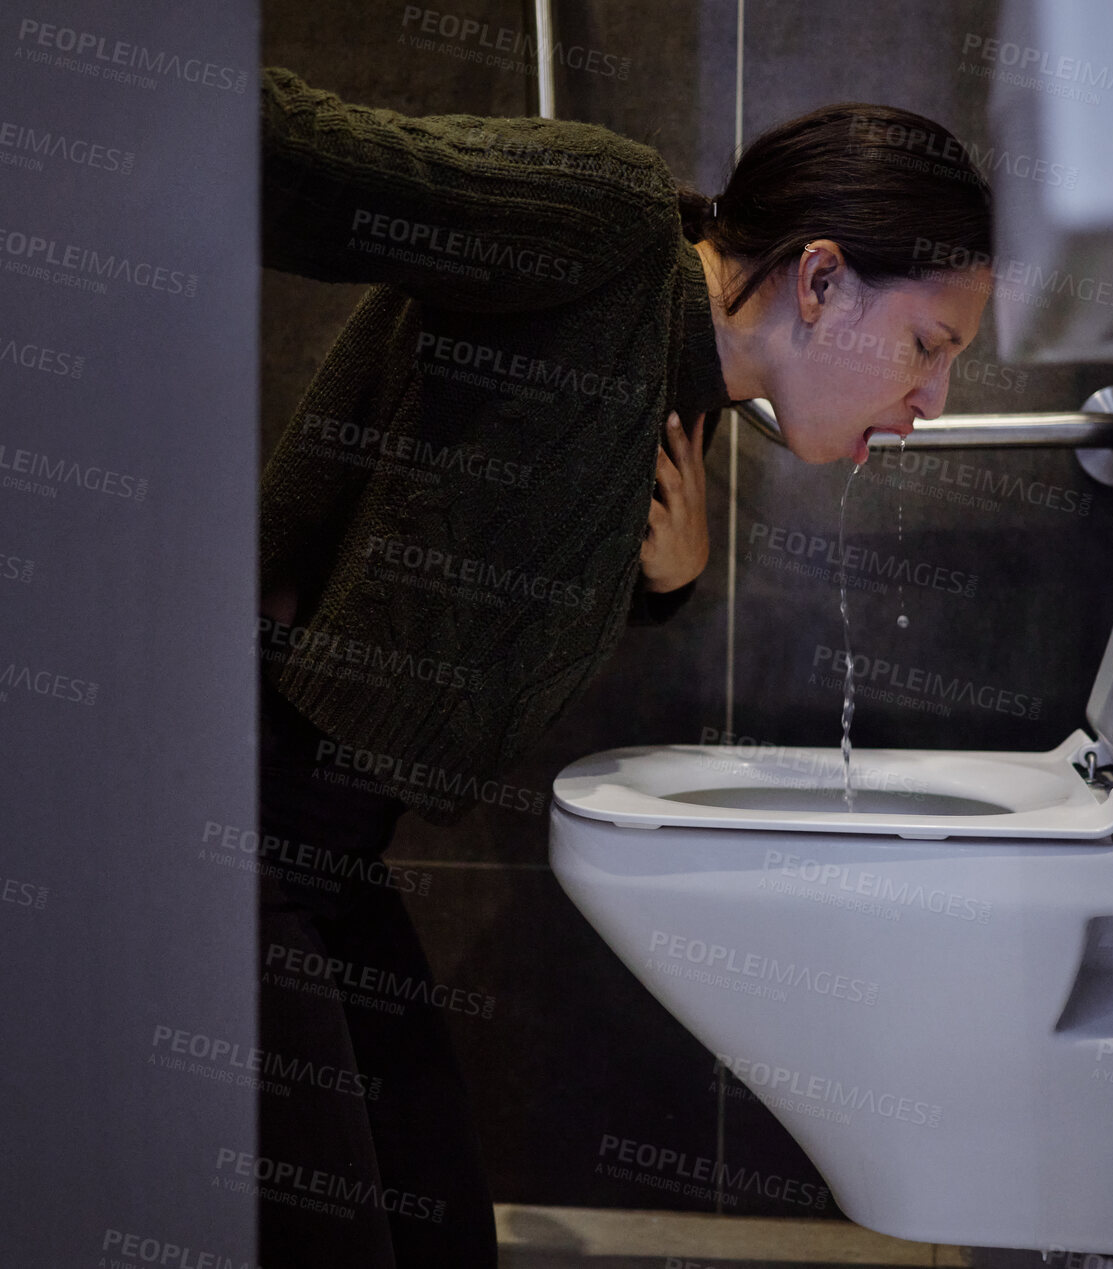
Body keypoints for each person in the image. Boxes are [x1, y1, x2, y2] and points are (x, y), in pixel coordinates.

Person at [253, 64, 993, 1267]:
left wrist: (670, 584)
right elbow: (303, 157)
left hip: (325, 838)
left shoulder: (677, 379)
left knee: (437, 1240)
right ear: (819, 278)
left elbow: (508, 509)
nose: (931, 400)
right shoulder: (602, 220)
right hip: (233, 799)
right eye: (926, 343)